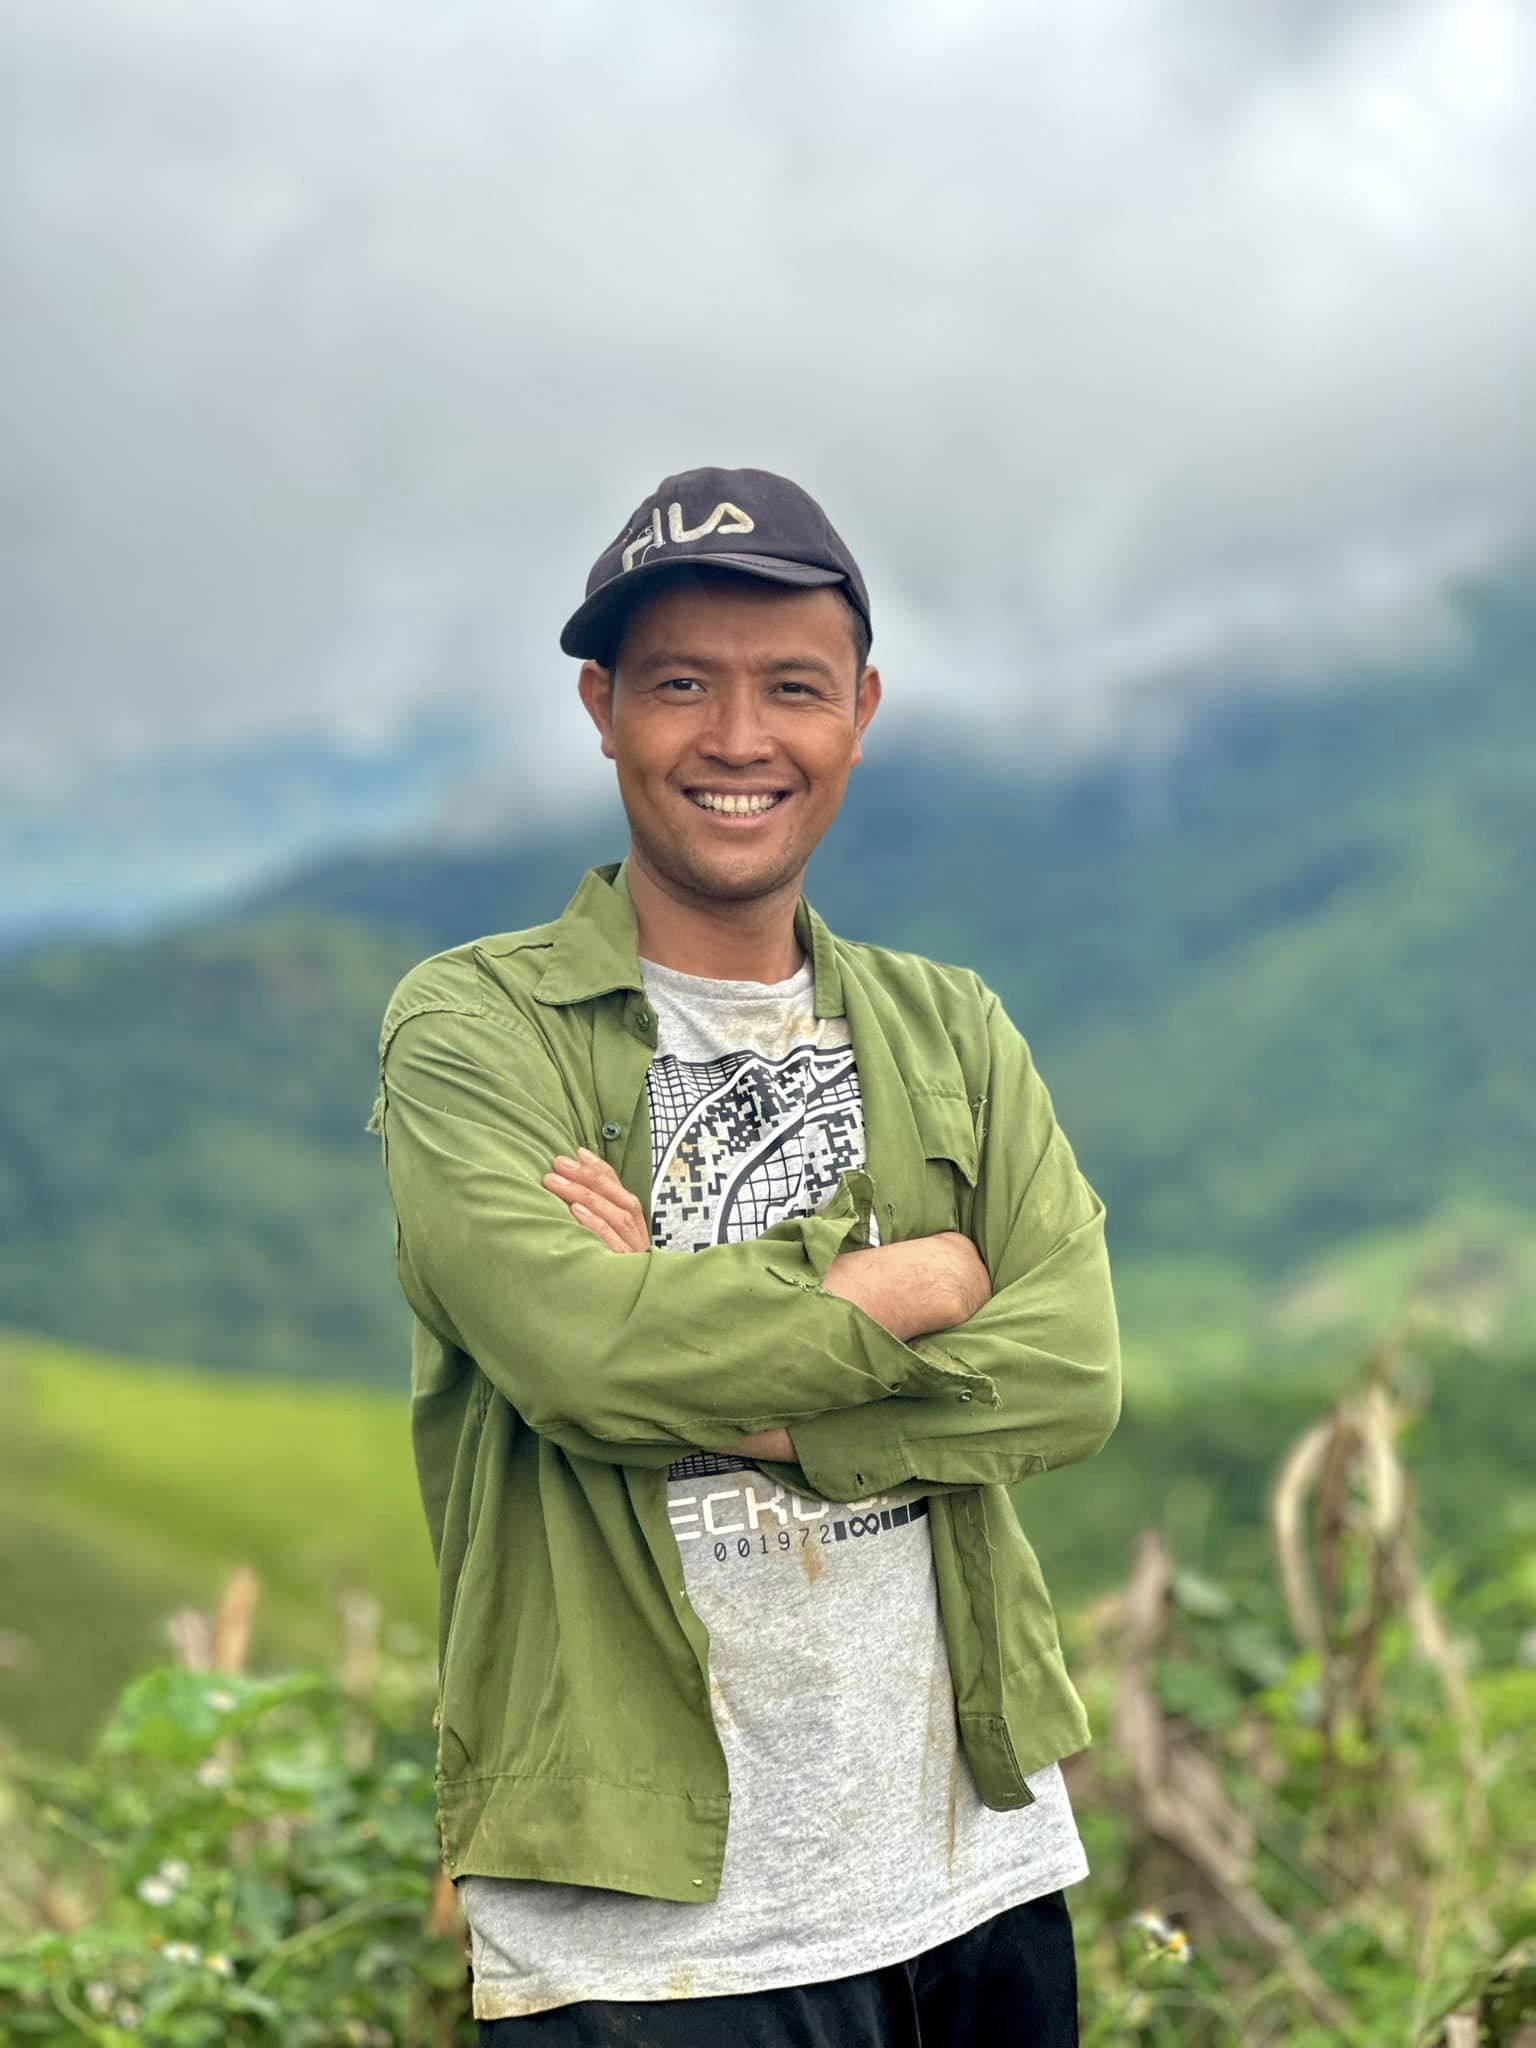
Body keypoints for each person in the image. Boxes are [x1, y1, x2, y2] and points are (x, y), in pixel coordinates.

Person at [371, 465, 1122, 2045]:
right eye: (680, 686)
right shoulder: (477, 1027)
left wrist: (701, 1346)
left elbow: (1069, 1375)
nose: (737, 738)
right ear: (602, 708)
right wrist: (896, 1290)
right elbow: (579, 1358)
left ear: (859, 712)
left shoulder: (950, 1027)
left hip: (978, 1877)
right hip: (645, 1941)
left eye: (790, 687)